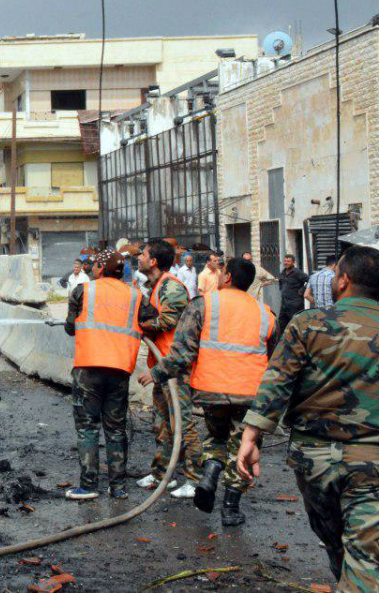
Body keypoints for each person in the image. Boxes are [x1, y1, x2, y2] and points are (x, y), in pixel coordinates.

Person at [236, 246, 379, 591]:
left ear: (343, 280)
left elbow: (277, 382)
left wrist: (250, 438)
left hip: (314, 460)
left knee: (341, 544)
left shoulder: (307, 324)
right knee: (360, 551)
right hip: (373, 461)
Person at [151, 257, 278, 527]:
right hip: (251, 395)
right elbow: (275, 360)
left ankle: (209, 473)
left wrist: (157, 373)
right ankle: (231, 507)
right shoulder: (265, 313)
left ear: (228, 277)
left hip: (212, 391)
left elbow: (181, 354)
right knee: (244, 447)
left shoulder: (203, 304)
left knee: (216, 438)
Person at [62, 249, 156, 501]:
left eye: (94, 266)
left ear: (101, 269)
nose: (91, 268)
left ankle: (89, 486)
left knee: (88, 428)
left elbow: (70, 328)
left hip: (88, 369)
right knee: (115, 430)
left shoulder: (83, 291)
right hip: (119, 371)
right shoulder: (137, 296)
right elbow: (152, 321)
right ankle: (118, 488)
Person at [134, 240, 200, 498]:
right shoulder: (155, 286)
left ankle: (194, 480)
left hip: (175, 367)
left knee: (182, 424)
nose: (139, 257)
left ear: (153, 262)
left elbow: (170, 319)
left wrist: (140, 325)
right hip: (162, 366)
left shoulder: (172, 286)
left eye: (143, 253)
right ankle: (163, 473)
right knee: (162, 423)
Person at [278, 253, 310, 331]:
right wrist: (282, 289)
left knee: (295, 324)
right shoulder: (283, 272)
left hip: (295, 304)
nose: (286, 263)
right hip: (284, 303)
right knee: (281, 324)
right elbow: (280, 282)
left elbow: (310, 280)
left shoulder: (297, 272)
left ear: (293, 262)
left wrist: (302, 290)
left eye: (288, 261)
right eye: (285, 261)